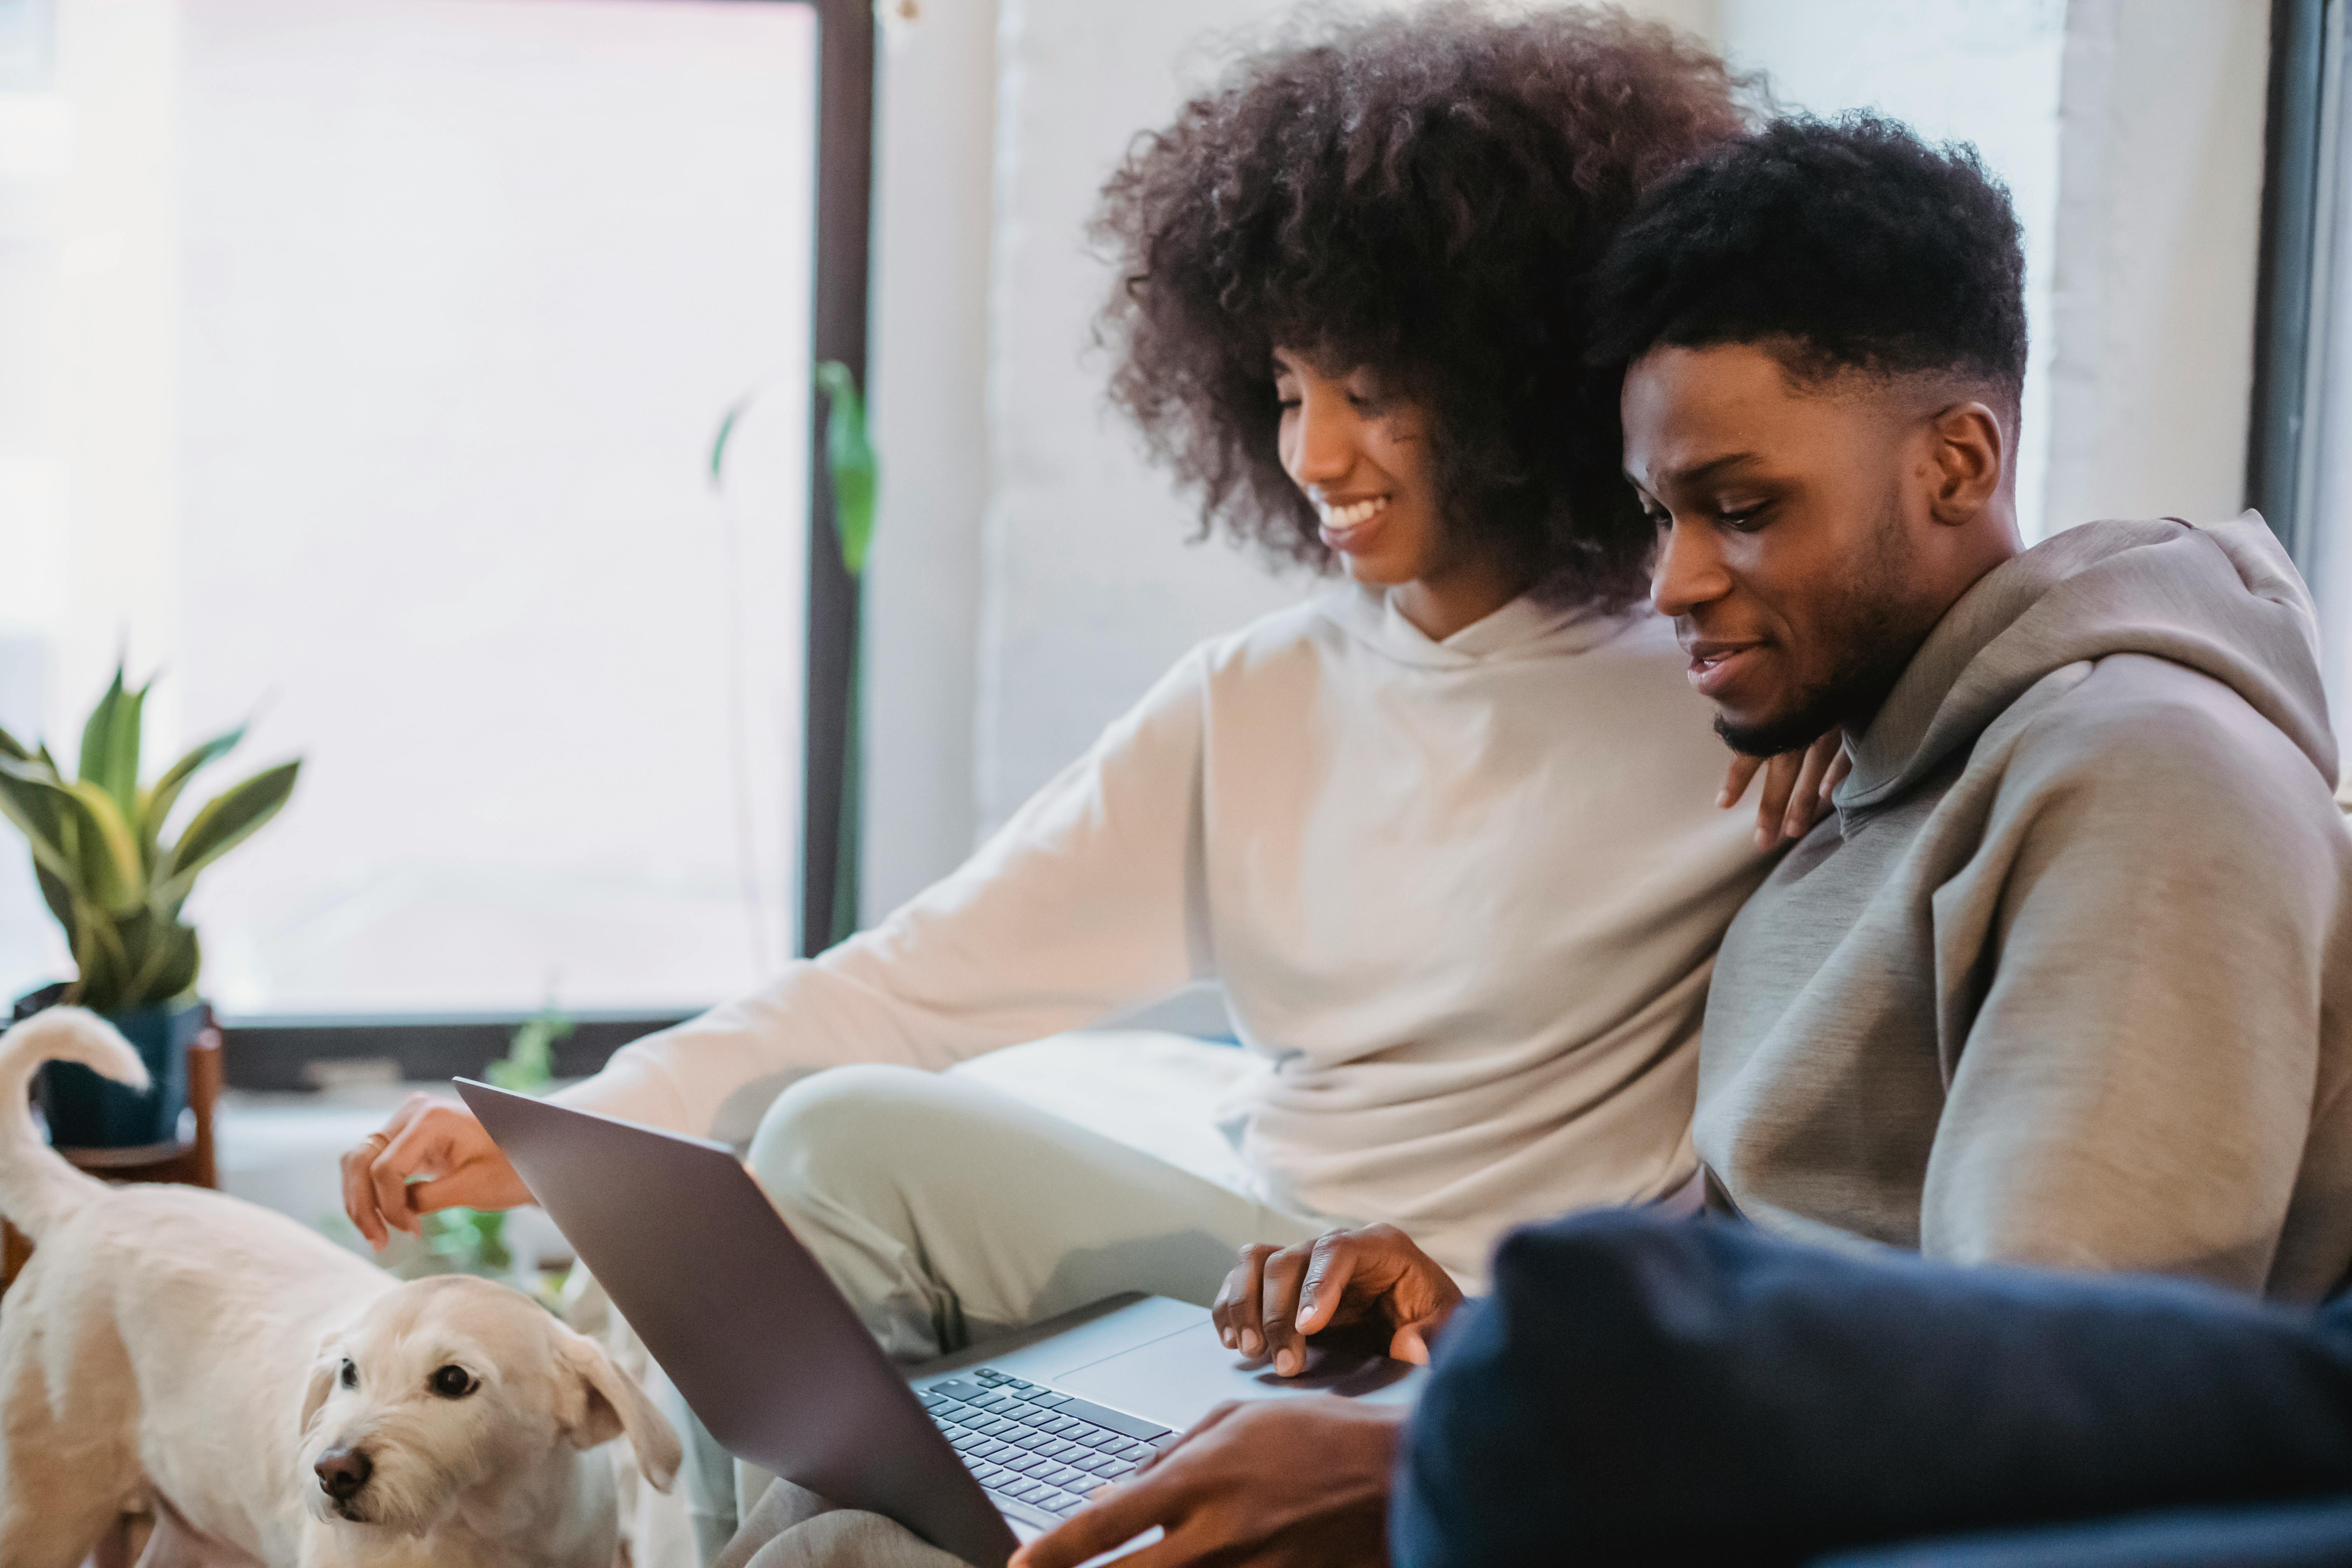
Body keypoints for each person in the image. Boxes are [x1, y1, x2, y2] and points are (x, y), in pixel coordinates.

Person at [343, 5, 1821, 1548]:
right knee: (834, 1134)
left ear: (1521, 378)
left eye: (1370, 389)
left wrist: (1849, 725)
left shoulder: (1731, 679)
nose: (1314, 451)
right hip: (1261, 1271)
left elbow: (2025, 607)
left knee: (845, 1540)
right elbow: (910, 984)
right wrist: (569, 1121)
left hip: (1470, 1326)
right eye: (1286, 385)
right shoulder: (1256, 699)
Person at [1016, 111, 2352, 1568]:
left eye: (1742, 509)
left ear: (1958, 463)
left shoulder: (2148, 789)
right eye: (1662, 514)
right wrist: (1464, 1341)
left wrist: (1425, 1468)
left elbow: (2046, 1428)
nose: (1676, 583)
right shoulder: (1895, 760)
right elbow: (1798, 1272)